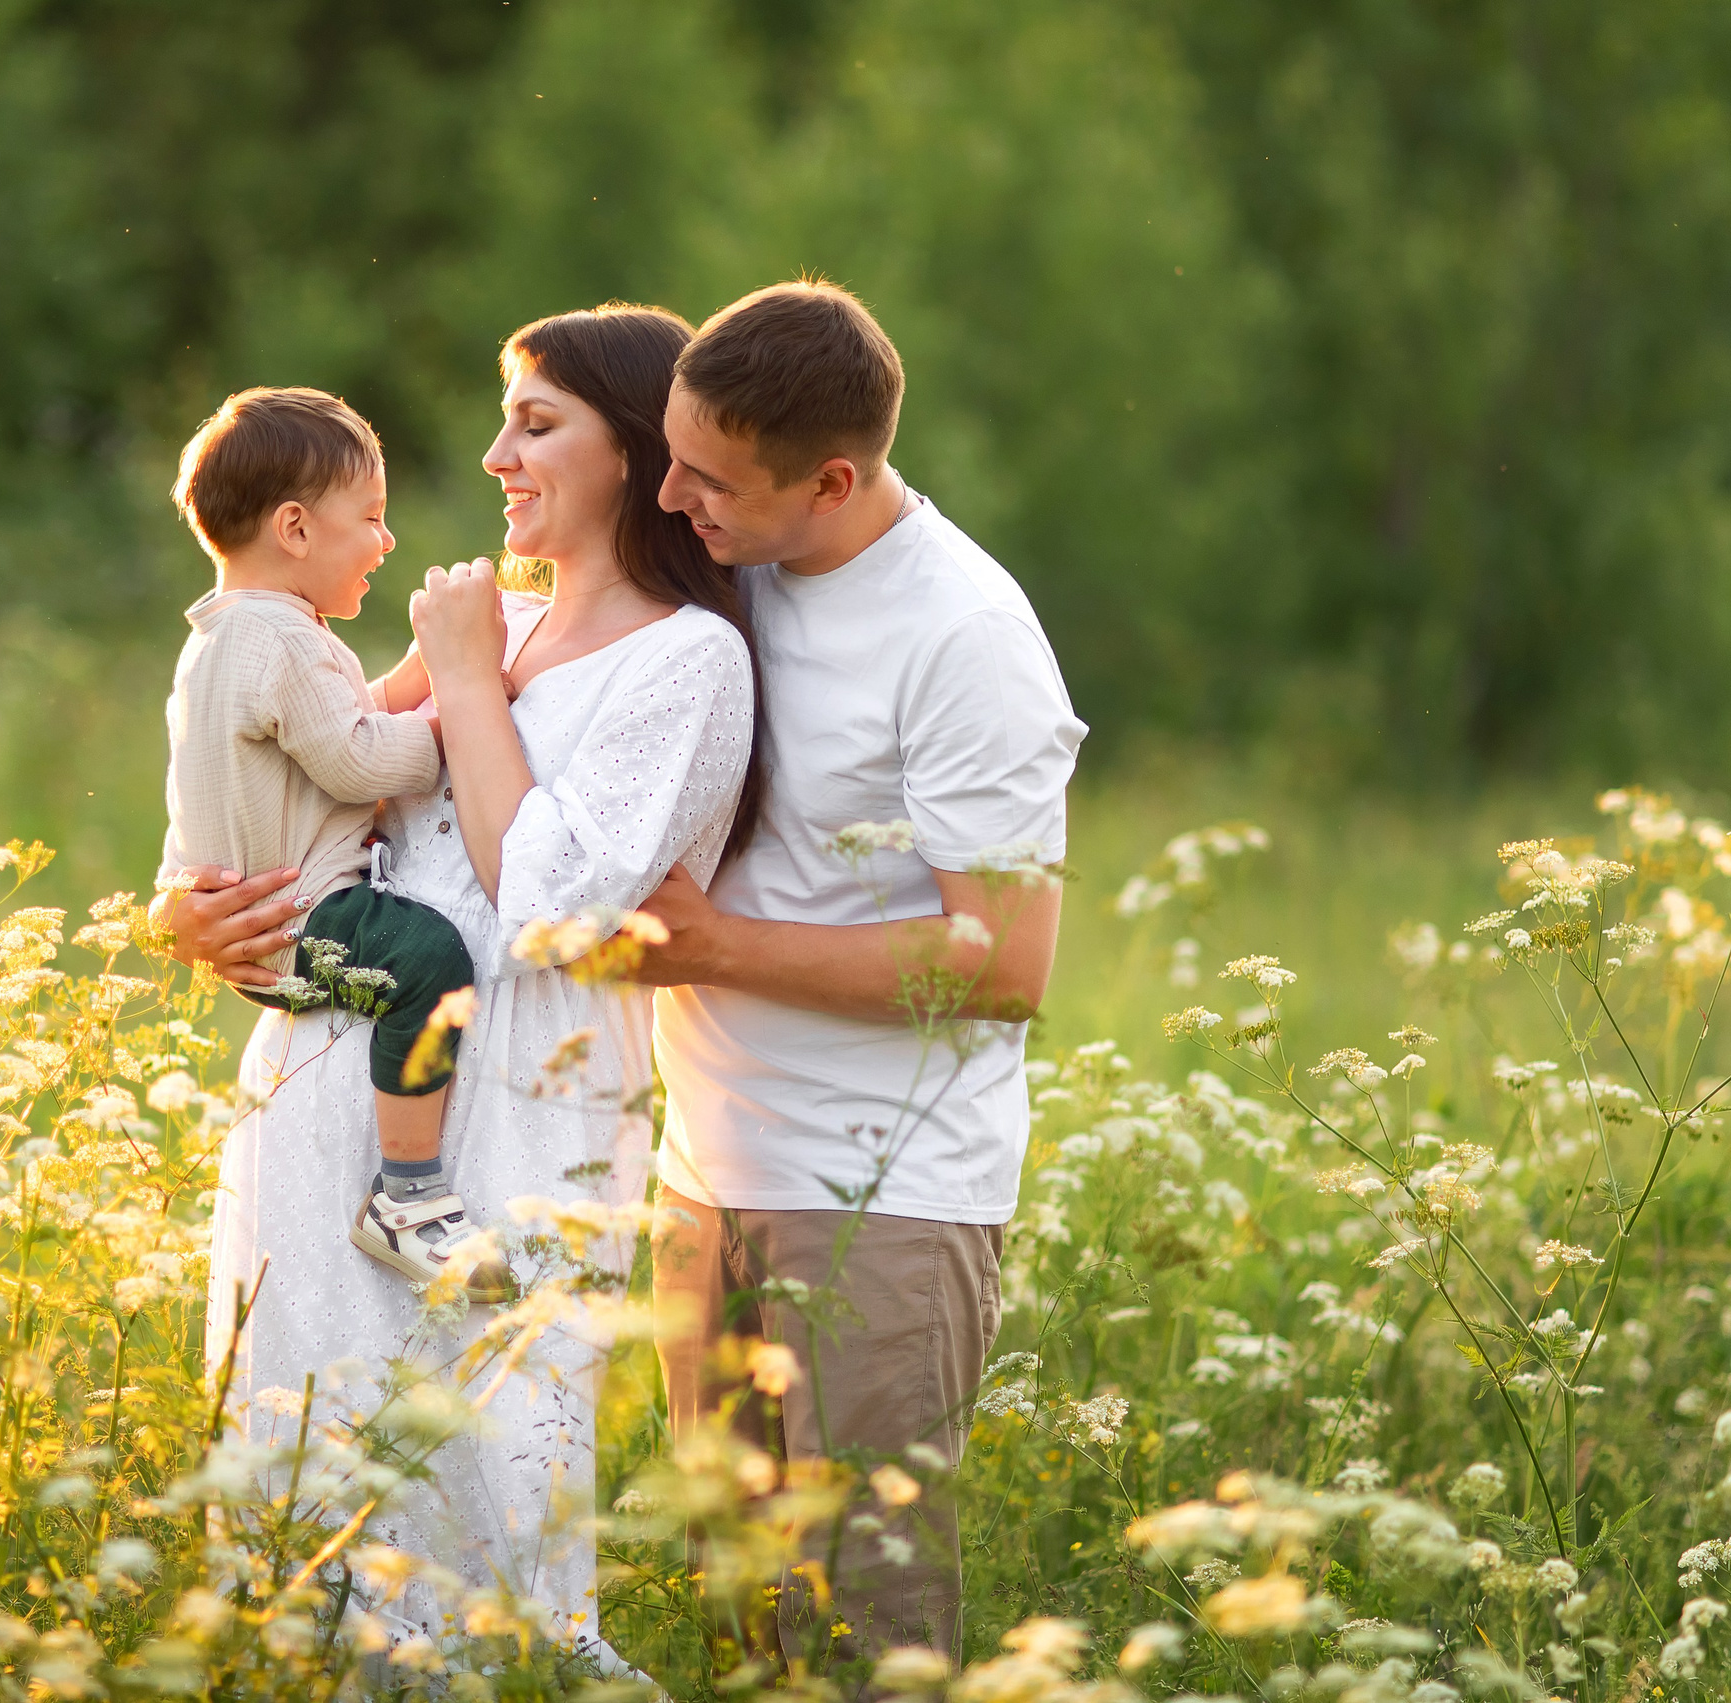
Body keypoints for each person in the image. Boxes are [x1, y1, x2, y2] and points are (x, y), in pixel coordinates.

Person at [165, 305, 759, 1666]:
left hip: (519, 1108)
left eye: (535, 424)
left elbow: (548, 907)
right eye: (504, 422)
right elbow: (268, 781)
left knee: (494, 1485)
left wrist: (470, 677)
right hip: (326, 1090)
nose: (496, 456)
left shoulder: (688, 658)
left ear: (636, 451)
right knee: (309, 1477)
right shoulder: (492, 625)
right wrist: (179, 909)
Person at [638, 280, 1088, 1661]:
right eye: (669, 454)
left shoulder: (964, 635)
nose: (668, 495)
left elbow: (1001, 961)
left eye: (709, 478)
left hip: (880, 1195)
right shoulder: (724, 563)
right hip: (701, 1167)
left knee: (858, 1633)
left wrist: (710, 947)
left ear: (831, 481)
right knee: (731, 1619)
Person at [156, 386, 509, 1299]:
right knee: (431, 960)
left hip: (249, 934)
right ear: (296, 529)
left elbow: (333, 724)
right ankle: (408, 1194)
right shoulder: (285, 640)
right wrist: (457, 717)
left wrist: (420, 677)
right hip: (307, 920)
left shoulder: (224, 638)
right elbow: (355, 761)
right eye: (372, 517)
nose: (386, 541)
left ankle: (406, 1191)